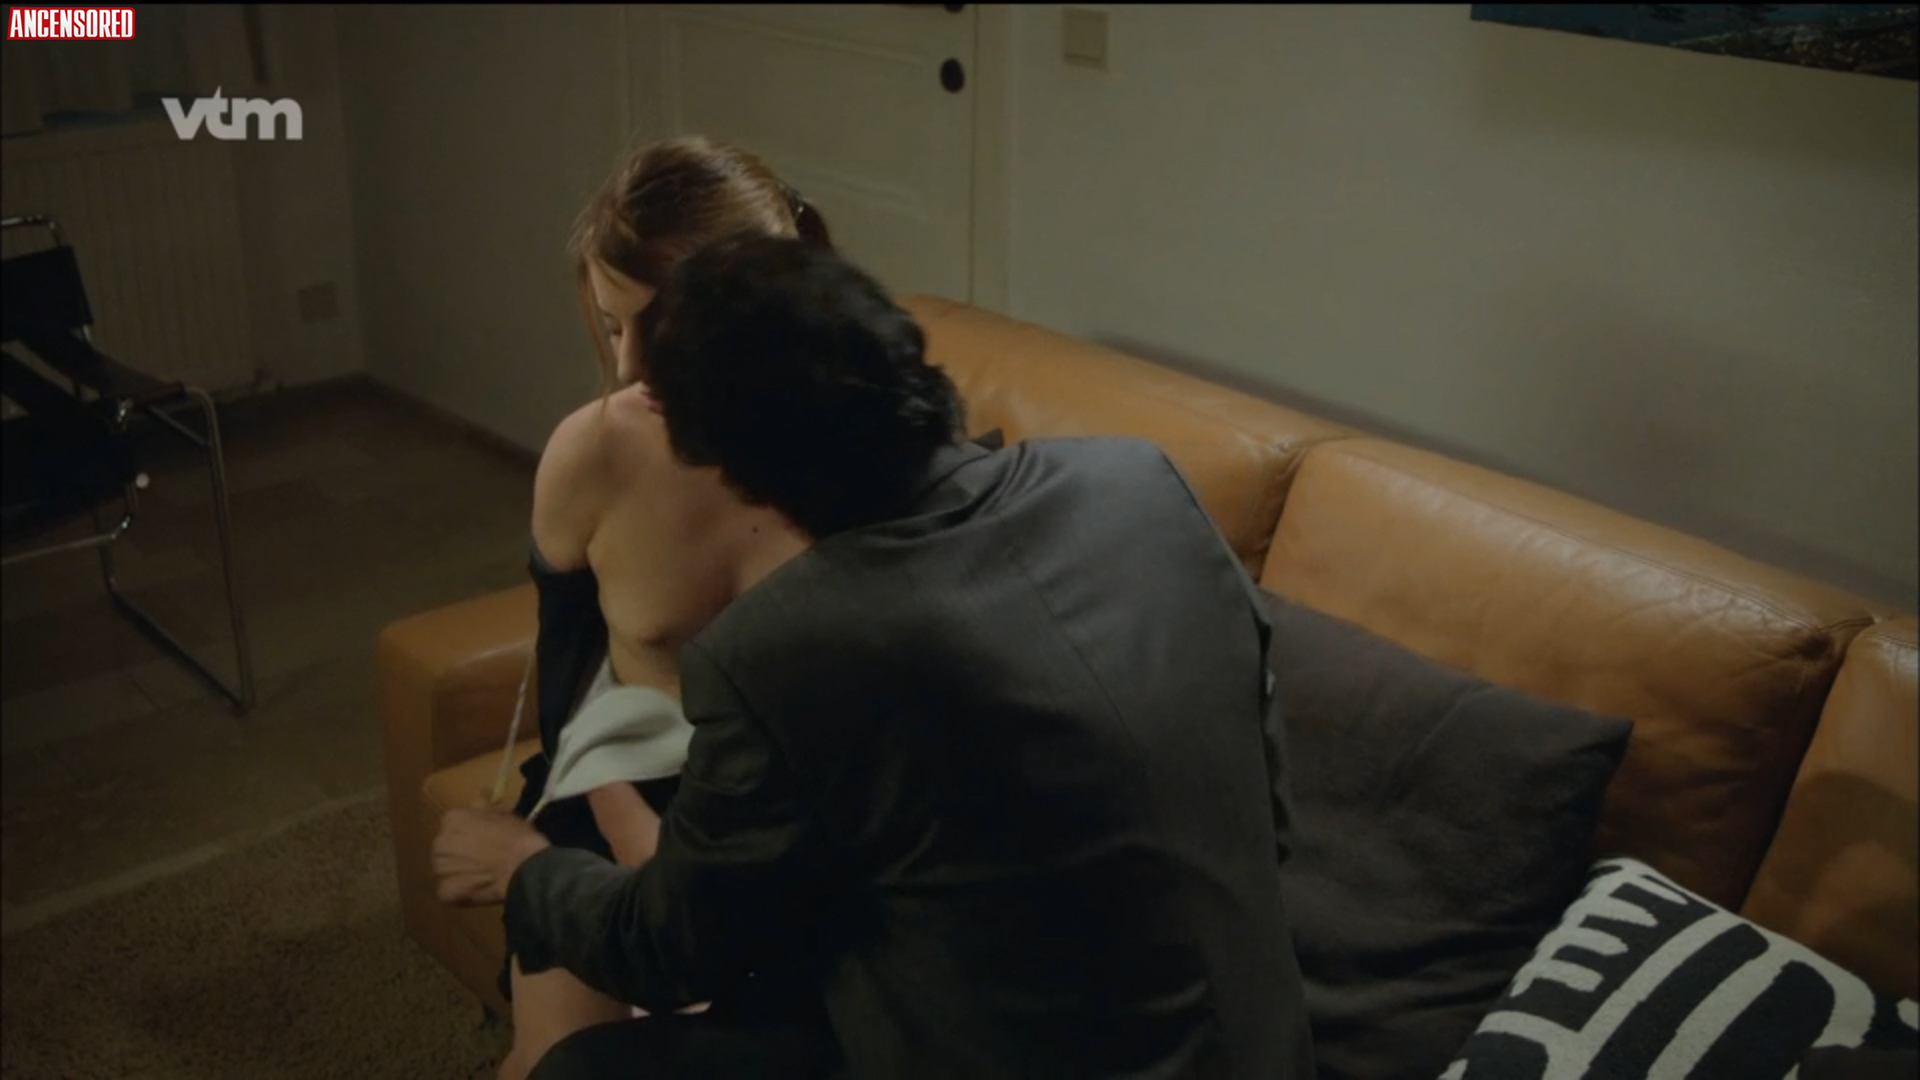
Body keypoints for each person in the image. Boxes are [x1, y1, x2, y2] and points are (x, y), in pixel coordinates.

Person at [434, 235, 1316, 1079]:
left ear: (739, 475)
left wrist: (523, 866)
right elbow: (1268, 803)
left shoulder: (790, 649)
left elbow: (667, 949)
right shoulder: (1141, 482)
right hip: (1264, 1048)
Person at [488, 136, 838, 1080]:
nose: (633, 364)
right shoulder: (591, 454)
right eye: (612, 326)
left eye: (666, 327)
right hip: (620, 787)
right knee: (554, 1062)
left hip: (787, 823)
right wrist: (628, 834)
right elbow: (566, 685)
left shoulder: (856, 448)